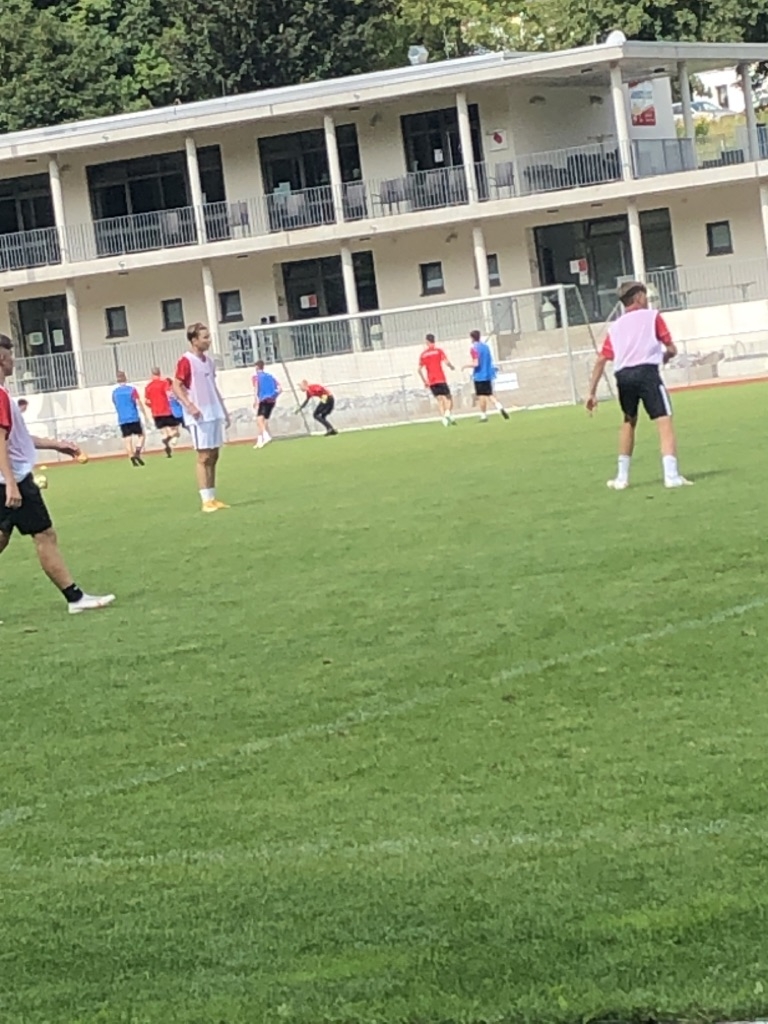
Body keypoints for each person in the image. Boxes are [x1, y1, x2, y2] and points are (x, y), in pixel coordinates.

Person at [0, 334, 114, 614]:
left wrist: (56, 444)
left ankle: (75, 598)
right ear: (1, 358)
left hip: (10, 478)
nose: (13, 360)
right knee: (44, 534)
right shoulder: (0, 396)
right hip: (12, 480)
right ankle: (75, 599)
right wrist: (12, 483)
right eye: (10, 354)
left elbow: (17, 439)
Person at [586, 280, 692, 490]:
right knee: (664, 420)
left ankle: (622, 478)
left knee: (628, 421)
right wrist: (666, 355)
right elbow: (670, 348)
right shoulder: (652, 317)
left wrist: (591, 392)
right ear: (639, 297)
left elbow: (602, 359)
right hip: (647, 373)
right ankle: (671, 476)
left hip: (623, 376)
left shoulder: (616, 327)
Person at [173, 323, 230, 513]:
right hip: (199, 414)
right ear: (194, 340)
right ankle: (205, 500)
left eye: (208, 337)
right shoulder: (186, 360)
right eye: (205, 337)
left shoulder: (209, 362)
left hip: (213, 411)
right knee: (203, 456)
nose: (208, 341)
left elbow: (213, 387)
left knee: (214, 454)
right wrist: (189, 405)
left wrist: (223, 410)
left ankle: (212, 498)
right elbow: (176, 386)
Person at [464, 330, 509, 422]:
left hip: (479, 375)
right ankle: (499, 406)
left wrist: (465, 366)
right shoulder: (486, 347)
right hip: (487, 374)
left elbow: (476, 363)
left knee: (481, 396)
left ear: (472, 338)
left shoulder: (474, 349)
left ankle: (483, 415)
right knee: (489, 394)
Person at [418, 333, 456, 426]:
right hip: (440, 378)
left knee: (439, 400)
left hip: (431, 380)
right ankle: (447, 413)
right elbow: (446, 362)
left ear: (427, 341)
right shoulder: (439, 351)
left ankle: (444, 419)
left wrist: (425, 381)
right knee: (448, 398)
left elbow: (419, 370)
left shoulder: (423, 354)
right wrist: (451, 367)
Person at [112, 371, 147, 466]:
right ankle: (137, 452)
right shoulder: (132, 390)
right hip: (133, 416)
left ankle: (131, 458)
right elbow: (138, 402)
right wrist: (144, 413)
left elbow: (115, 403)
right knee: (141, 435)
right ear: (126, 378)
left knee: (127, 439)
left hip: (122, 418)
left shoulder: (115, 392)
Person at [145, 367, 181, 457]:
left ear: (152, 374)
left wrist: (152, 406)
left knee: (164, 432)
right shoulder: (164, 383)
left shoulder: (148, 386)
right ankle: (170, 439)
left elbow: (147, 401)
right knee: (175, 430)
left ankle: (168, 452)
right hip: (166, 411)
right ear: (159, 373)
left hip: (156, 413)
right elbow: (169, 394)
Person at [252, 360, 281, 449]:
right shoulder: (270, 376)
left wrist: (255, 400)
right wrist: (274, 396)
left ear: (257, 367)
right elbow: (280, 388)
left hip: (264, 400)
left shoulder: (256, 377)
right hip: (271, 400)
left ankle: (266, 436)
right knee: (263, 421)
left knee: (259, 420)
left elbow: (256, 388)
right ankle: (260, 440)